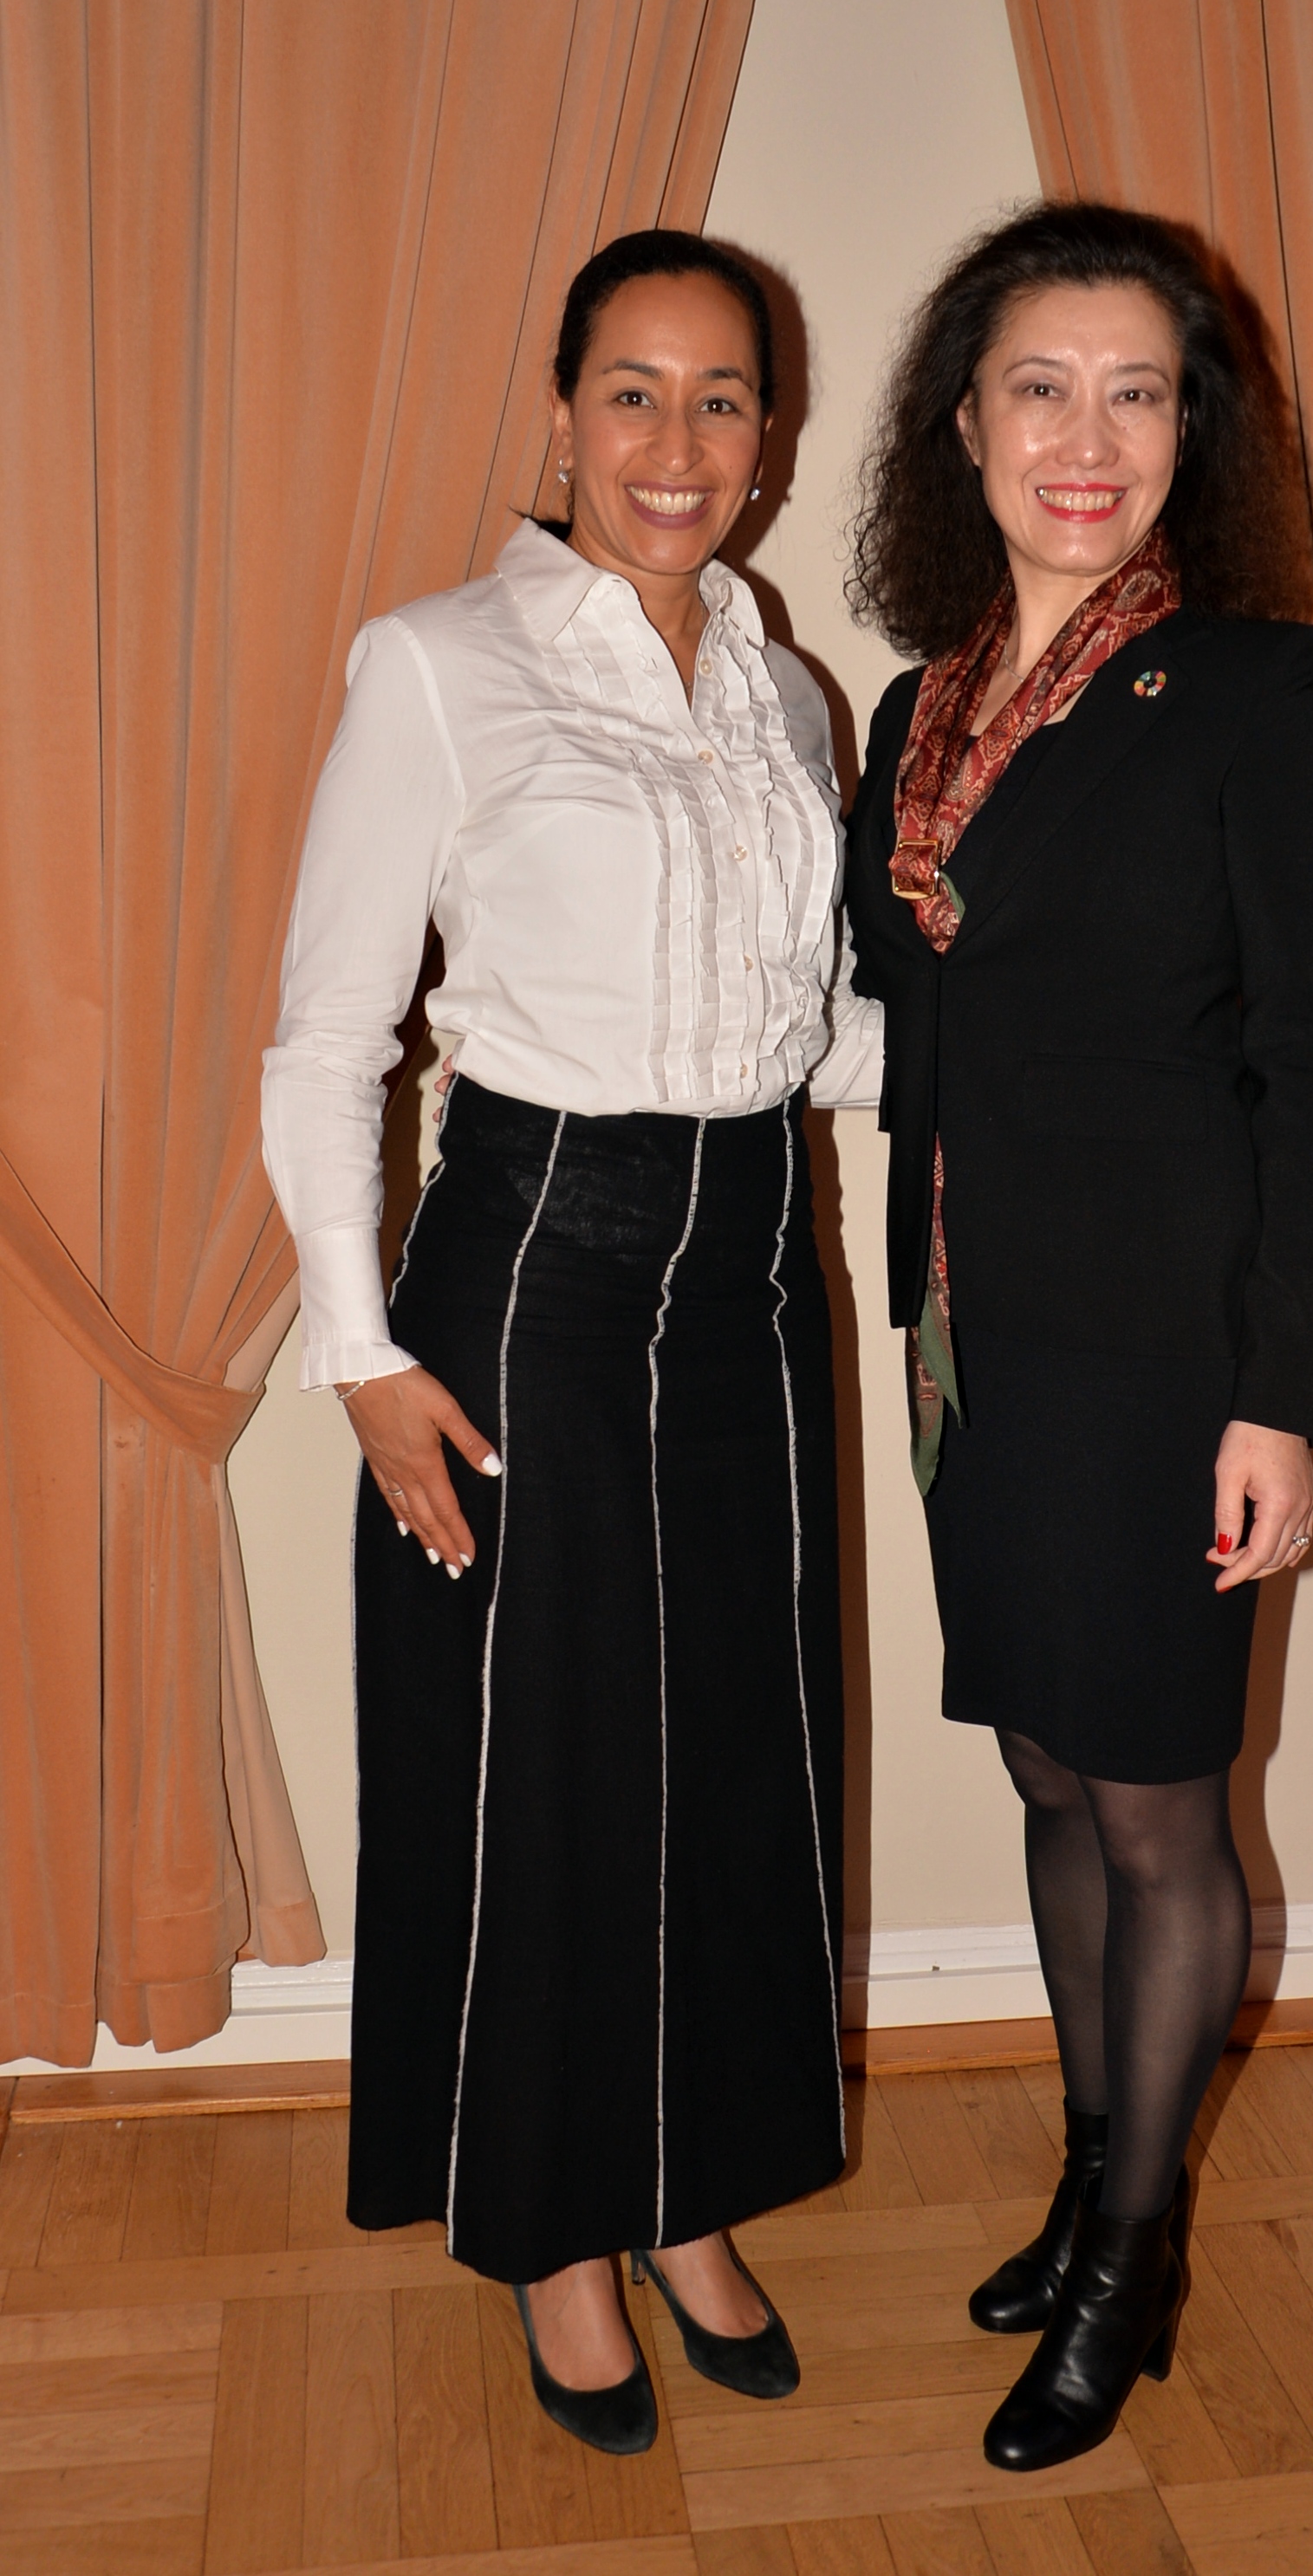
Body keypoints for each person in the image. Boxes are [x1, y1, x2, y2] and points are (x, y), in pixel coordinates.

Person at [262, 229, 882, 2456]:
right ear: (560, 415)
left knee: (738, 1757)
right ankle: (554, 2231)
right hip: (532, 1274)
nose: (676, 442)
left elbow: (806, 1034)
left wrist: (1037, 1032)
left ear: (768, 438)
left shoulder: (787, 698)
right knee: (545, 1775)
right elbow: (330, 1040)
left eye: (723, 398)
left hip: (756, 1272)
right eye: (635, 391)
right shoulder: (439, 663)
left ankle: (689, 2187)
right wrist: (361, 1355)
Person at [843, 201, 1313, 2472]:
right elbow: (906, 1019)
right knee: (1048, 1768)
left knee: (1158, 1805)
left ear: (1190, 433)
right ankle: (1091, 2174)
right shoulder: (919, 709)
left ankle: (1130, 2262)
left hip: (1169, 1361)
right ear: (961, 428)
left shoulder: (1258, 694)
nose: (1086, 437)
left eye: (1135, 392)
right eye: (1039, 389)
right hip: (970, 1346)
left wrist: (1281, 1400)